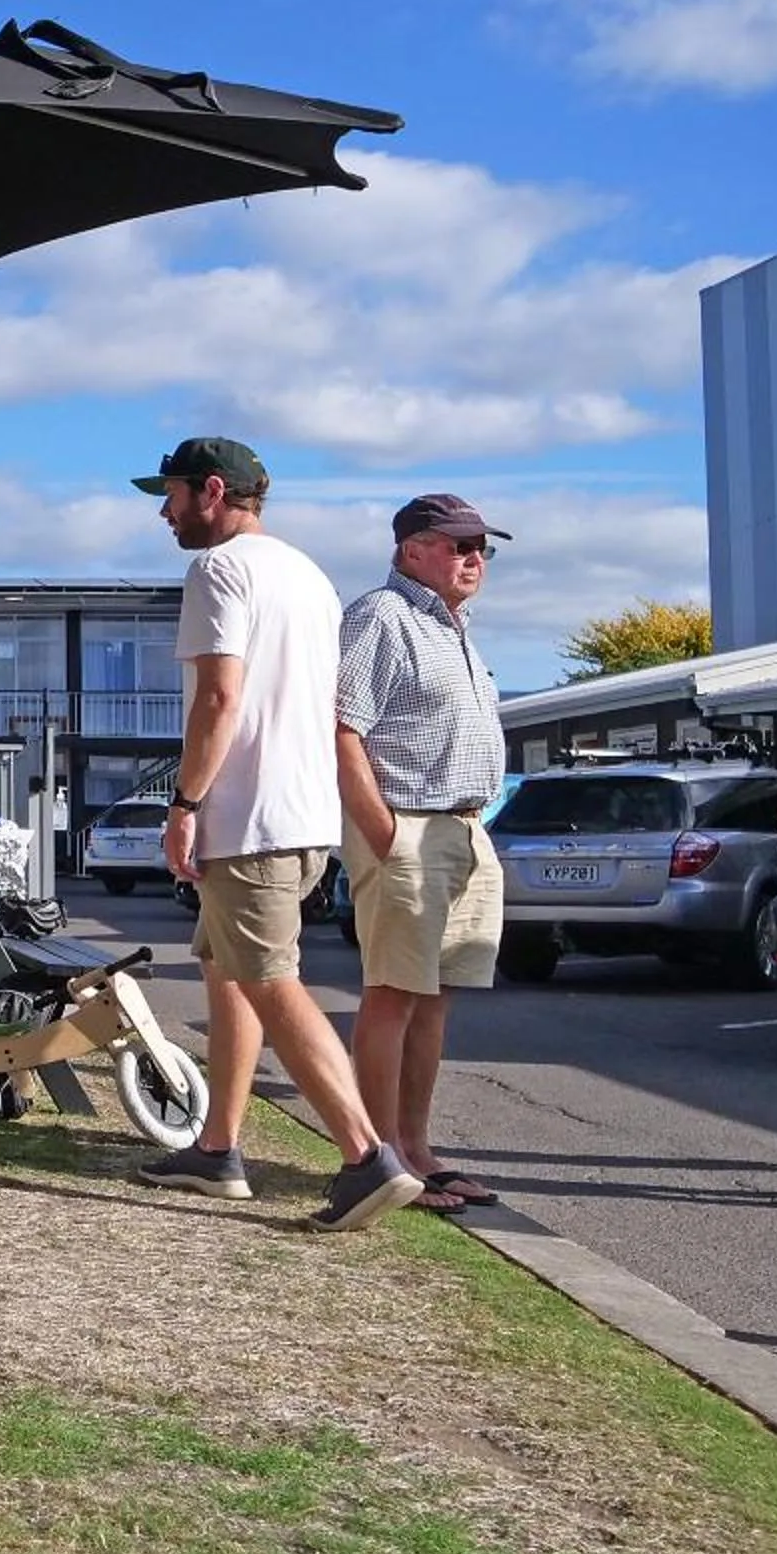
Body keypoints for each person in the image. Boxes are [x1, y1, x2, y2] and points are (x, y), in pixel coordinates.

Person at [129, 438, 425, 1232]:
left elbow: (219, 700)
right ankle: (217, 1148)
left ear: (212, 490)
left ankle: (366, 1157)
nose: (165, 512)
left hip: (248, 818)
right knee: (226, 968)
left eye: (172, 495)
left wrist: (184, 804)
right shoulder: (309, 576)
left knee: (268, 978)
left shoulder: (219, 570)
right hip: (303, 816)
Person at [337, 494, 511, 1215]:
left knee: (434, 1000)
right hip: (408, 826)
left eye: (482, 548)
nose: (474, 558)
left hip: (465, 830)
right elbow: (342, 728)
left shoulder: (455, 629)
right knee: (393, 995)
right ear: (412, 549)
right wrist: (384, 832)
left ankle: (416, 1148)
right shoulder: (382, 616)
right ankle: (380, 1159)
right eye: (458, 544)